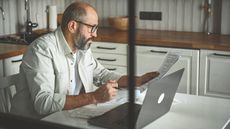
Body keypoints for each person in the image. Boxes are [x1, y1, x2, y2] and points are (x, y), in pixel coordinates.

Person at [10, 1, 159, 119]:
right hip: (36, 122)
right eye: (92, 28)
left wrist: (137, 81)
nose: (95, 34)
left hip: (67, 116)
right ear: (73, 26)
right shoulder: (41, 50)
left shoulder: (82, 47)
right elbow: (43, 103)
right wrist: (94, 97)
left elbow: (102, 74)